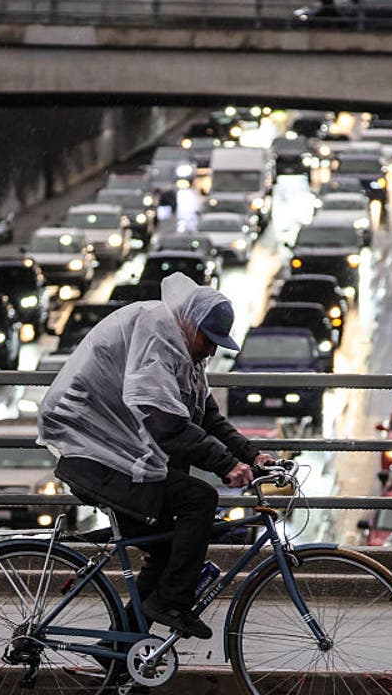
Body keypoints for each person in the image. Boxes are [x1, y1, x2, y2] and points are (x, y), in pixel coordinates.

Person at [39, 272, 273, 640]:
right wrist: (226, 465)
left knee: (166, 551)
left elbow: (205, 415)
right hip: (95, 455)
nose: (212, 351)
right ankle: (173, 603)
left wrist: (253, 456)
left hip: (120, 455)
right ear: (191, 324)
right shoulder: (156, 337)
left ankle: (121, 658)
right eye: (209, 341)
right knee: (201, 498)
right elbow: (165, 423)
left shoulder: (182, 349)